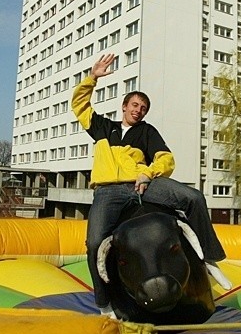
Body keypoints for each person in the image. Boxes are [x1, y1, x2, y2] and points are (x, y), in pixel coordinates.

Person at [72, 53, 232, 317]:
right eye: (135, 105)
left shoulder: (147, 131)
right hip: (108, 191)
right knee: (94, 243)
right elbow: (79, 105)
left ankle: (209, 257)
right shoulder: (102, 127)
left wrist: (148, 173)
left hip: (140, 184)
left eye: (143, 108)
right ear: (124, 107)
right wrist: (93, 78)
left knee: (193, 197)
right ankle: (103, 303)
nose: (138, 110)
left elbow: (165, 158)